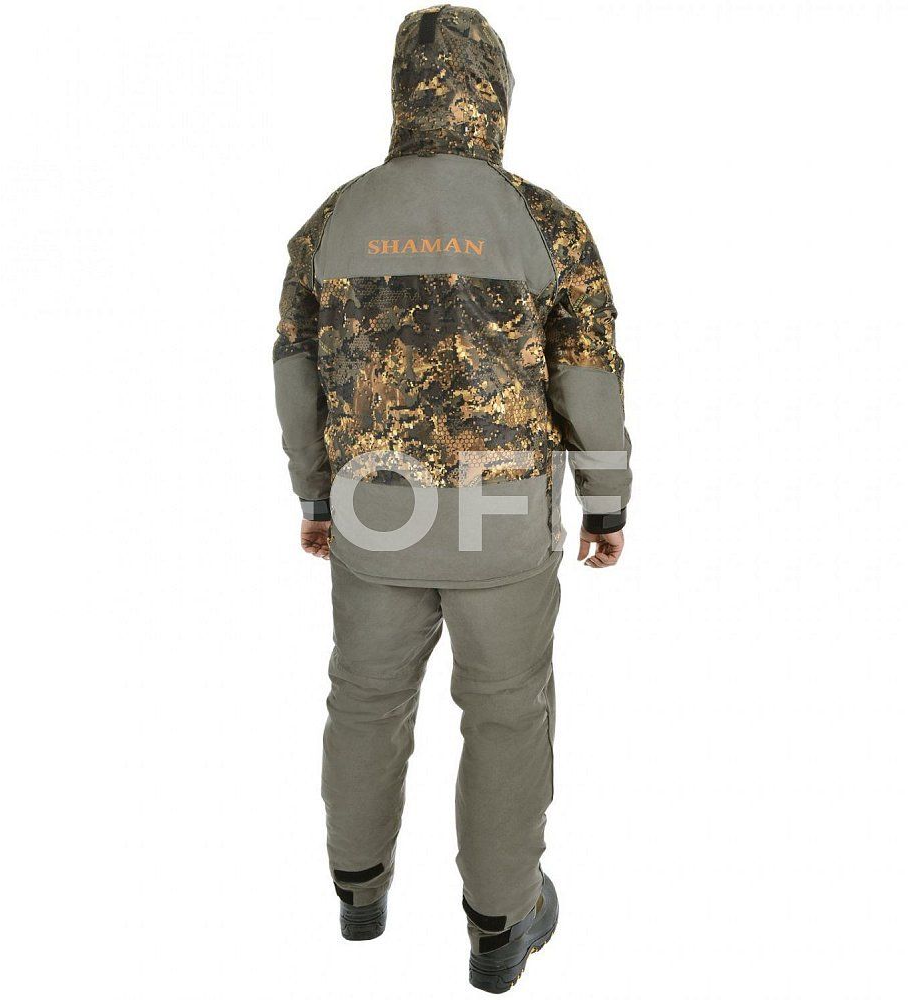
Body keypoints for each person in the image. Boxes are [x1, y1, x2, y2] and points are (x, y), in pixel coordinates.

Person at [272, 6, 631, 992]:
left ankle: (358, 891)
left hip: (374, 507)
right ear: (492, 93)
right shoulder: (546, 221)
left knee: (365, 699)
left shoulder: (332, 219)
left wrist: (314, 495)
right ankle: (500, 925)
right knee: (506, 714)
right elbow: (589, 376)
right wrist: (605, 503)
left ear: (403, 93)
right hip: (498, 513)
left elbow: (295, 371)